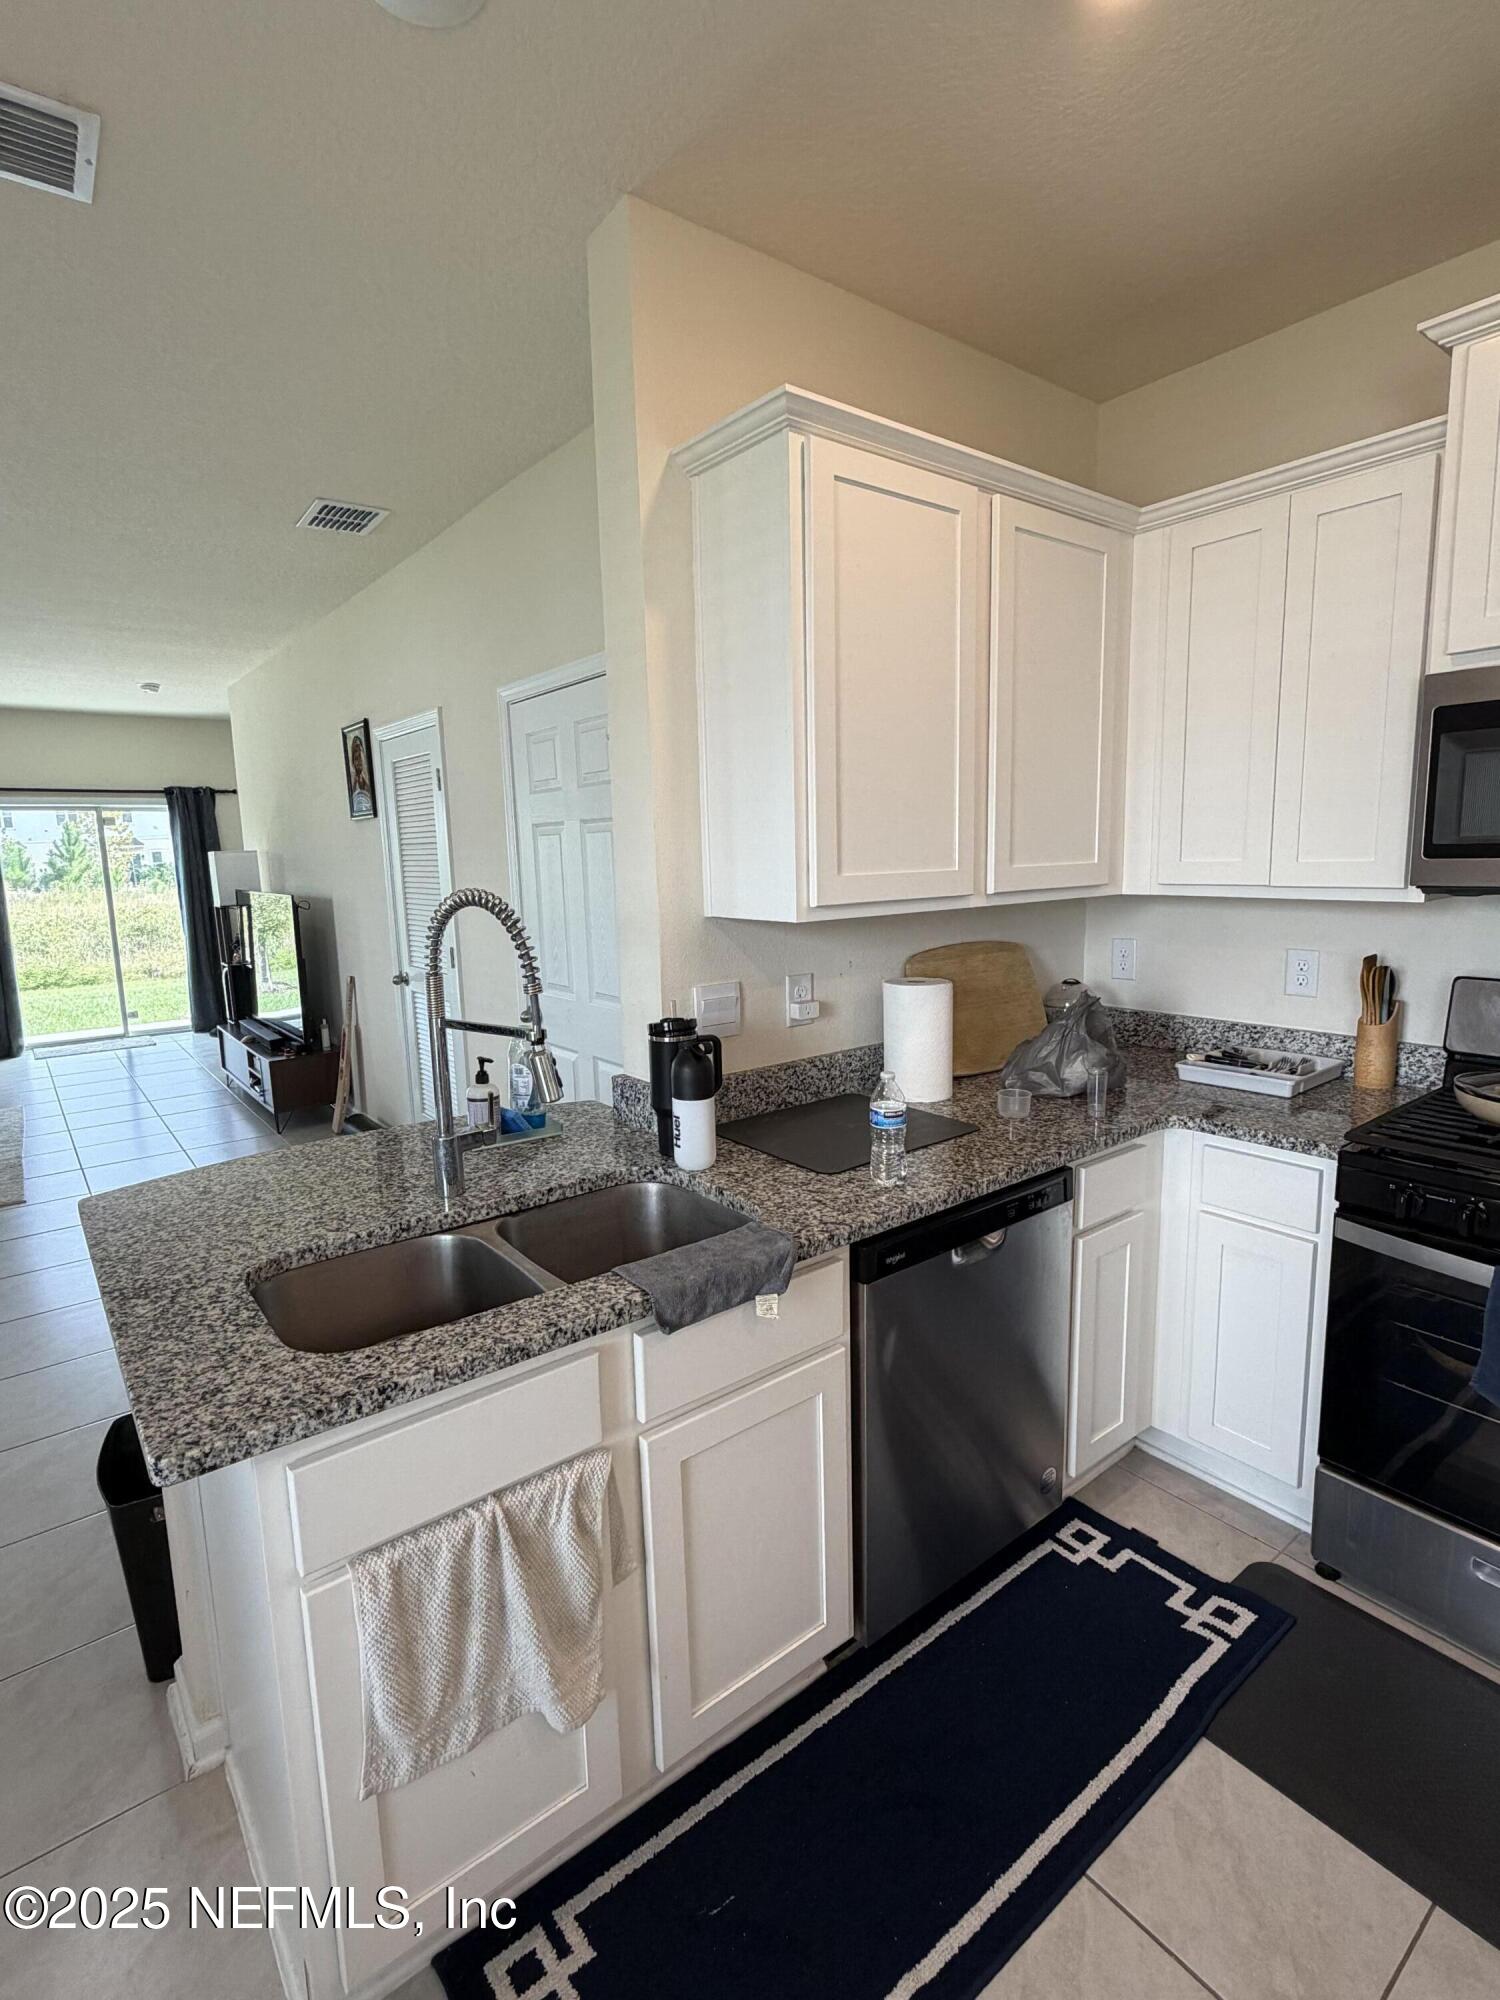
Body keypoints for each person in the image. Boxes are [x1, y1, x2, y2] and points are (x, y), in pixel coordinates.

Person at [347, 733, 374, 816]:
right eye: (356, 759)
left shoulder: (368, 777)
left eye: (360, 757)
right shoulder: (352, 781)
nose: (358, 762)